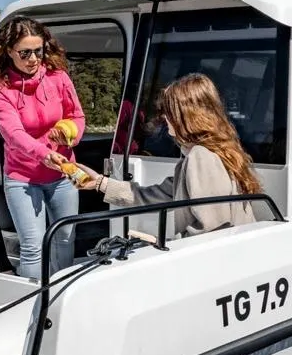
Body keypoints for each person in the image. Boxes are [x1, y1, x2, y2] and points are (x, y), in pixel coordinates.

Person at [73, 73, 258, 239]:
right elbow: (152, 195)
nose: (163, 117)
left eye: (168, 110)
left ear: (186, 115)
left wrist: (168, 246)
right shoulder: (211, 150)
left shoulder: (201, 157)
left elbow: (212, 230)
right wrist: (99, 183)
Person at [0, 16, 86, 279]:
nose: (33, 59)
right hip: (22, 178)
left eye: (38, 51)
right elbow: (13, 135)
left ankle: (60, 294)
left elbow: (77, 116)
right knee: (33, 247)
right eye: (25, 53)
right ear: (9, 51)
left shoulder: (59, 77)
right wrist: (43, 154)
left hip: (63, 174)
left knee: (65, 239)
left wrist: (71, 136)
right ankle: (34, 298)